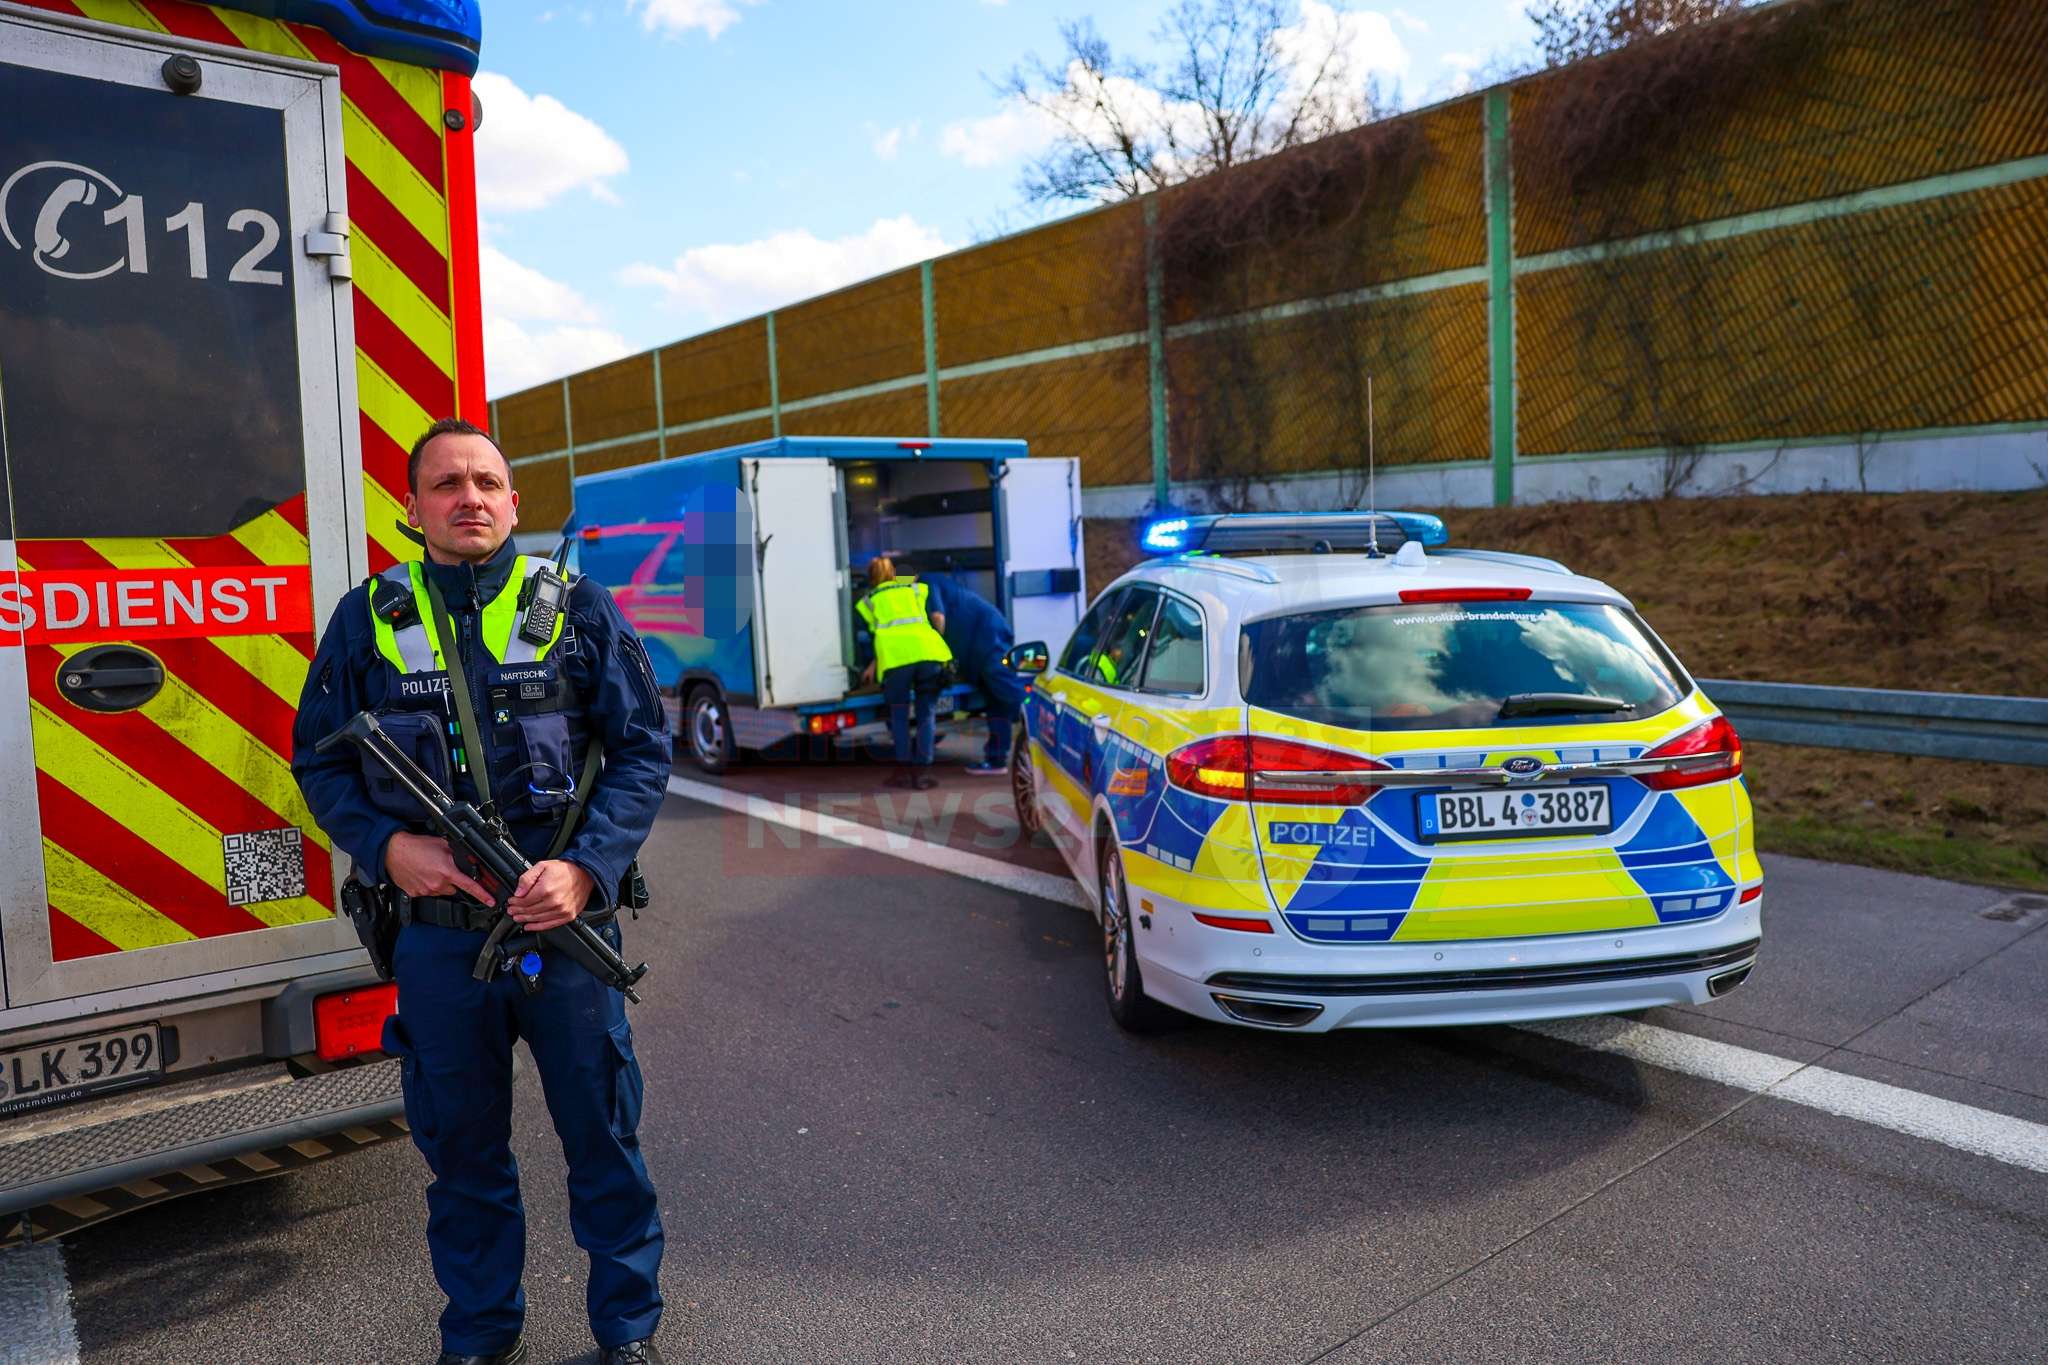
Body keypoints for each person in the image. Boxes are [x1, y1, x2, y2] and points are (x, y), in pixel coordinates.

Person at [291, 418, 673, 1365]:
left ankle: (628, 1331)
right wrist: (387, 849)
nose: (471, 498)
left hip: (565, 926)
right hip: (438, 939)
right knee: (461, 1154)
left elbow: (639, 750)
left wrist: (584, 866)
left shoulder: (579, 607)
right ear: (413, 508)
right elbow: (319, 757)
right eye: (448, 484)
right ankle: (479, 1336)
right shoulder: (367, 616)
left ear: (514, 501)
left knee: (604, 1140)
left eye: (488, 481)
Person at [854, 556, 951, 790]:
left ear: (871, 577)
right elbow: (934, 620)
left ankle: (903, 773)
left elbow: (878, 635)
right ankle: (923, 774)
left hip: (897, 661)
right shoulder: (916, 590)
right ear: (893, 572)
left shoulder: (868, 602)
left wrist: (871, 665)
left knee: (899, 716)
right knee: (926, 713)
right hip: (929, 655)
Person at [921, 571, 1026, 777]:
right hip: (983, 641)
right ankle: (996, 759)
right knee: (997, 702)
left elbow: (937, 617)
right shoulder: (936, 583)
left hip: (987, 639)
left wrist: (937, 653)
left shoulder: (926, 581)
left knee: (1010, 696)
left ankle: (1044, 736)